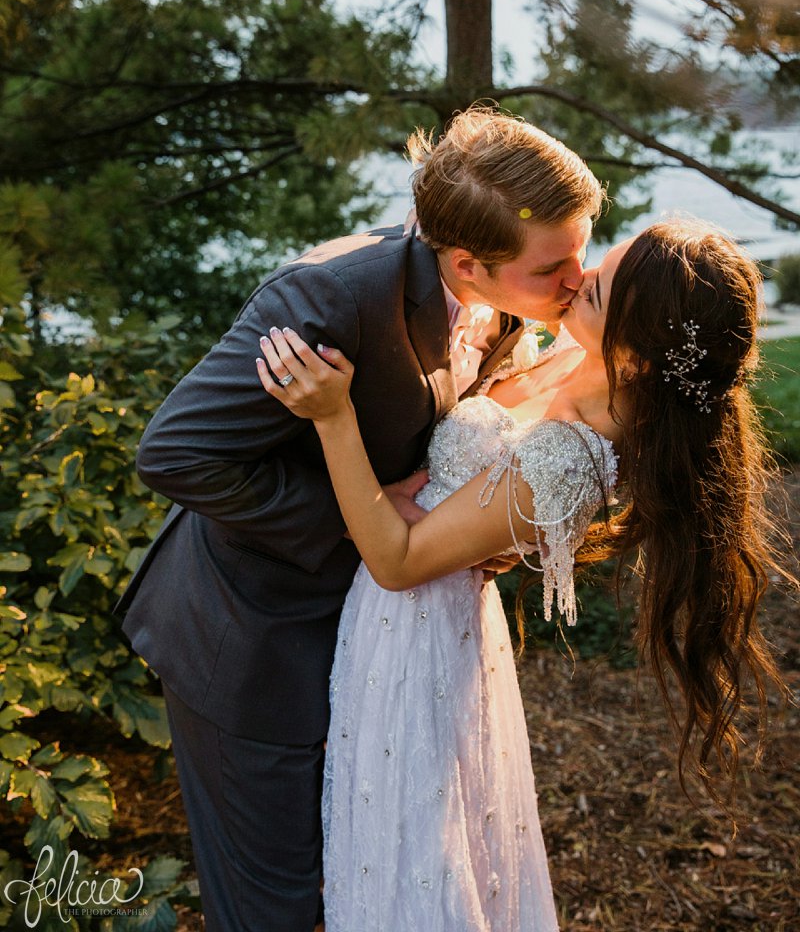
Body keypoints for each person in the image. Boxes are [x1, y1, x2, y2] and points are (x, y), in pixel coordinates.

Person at [115, 105, 604, 932]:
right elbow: (174, 454)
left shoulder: (511, 294)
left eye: (582, 254)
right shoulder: (326, 301)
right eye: (555, 265)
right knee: (276, 909)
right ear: (466, 262)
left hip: (380, 650)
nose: (576, 281)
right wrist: (366, 517)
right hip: (255, 646)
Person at [257, 219, 790, 932]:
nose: (577, 280)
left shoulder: (570, 455)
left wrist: (332, 417)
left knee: (412, 849)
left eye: (597, 290)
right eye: (598, 263)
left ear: (637, 359)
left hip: (416, 634)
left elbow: (397, 561)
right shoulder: (581, 355)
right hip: (401, 611)